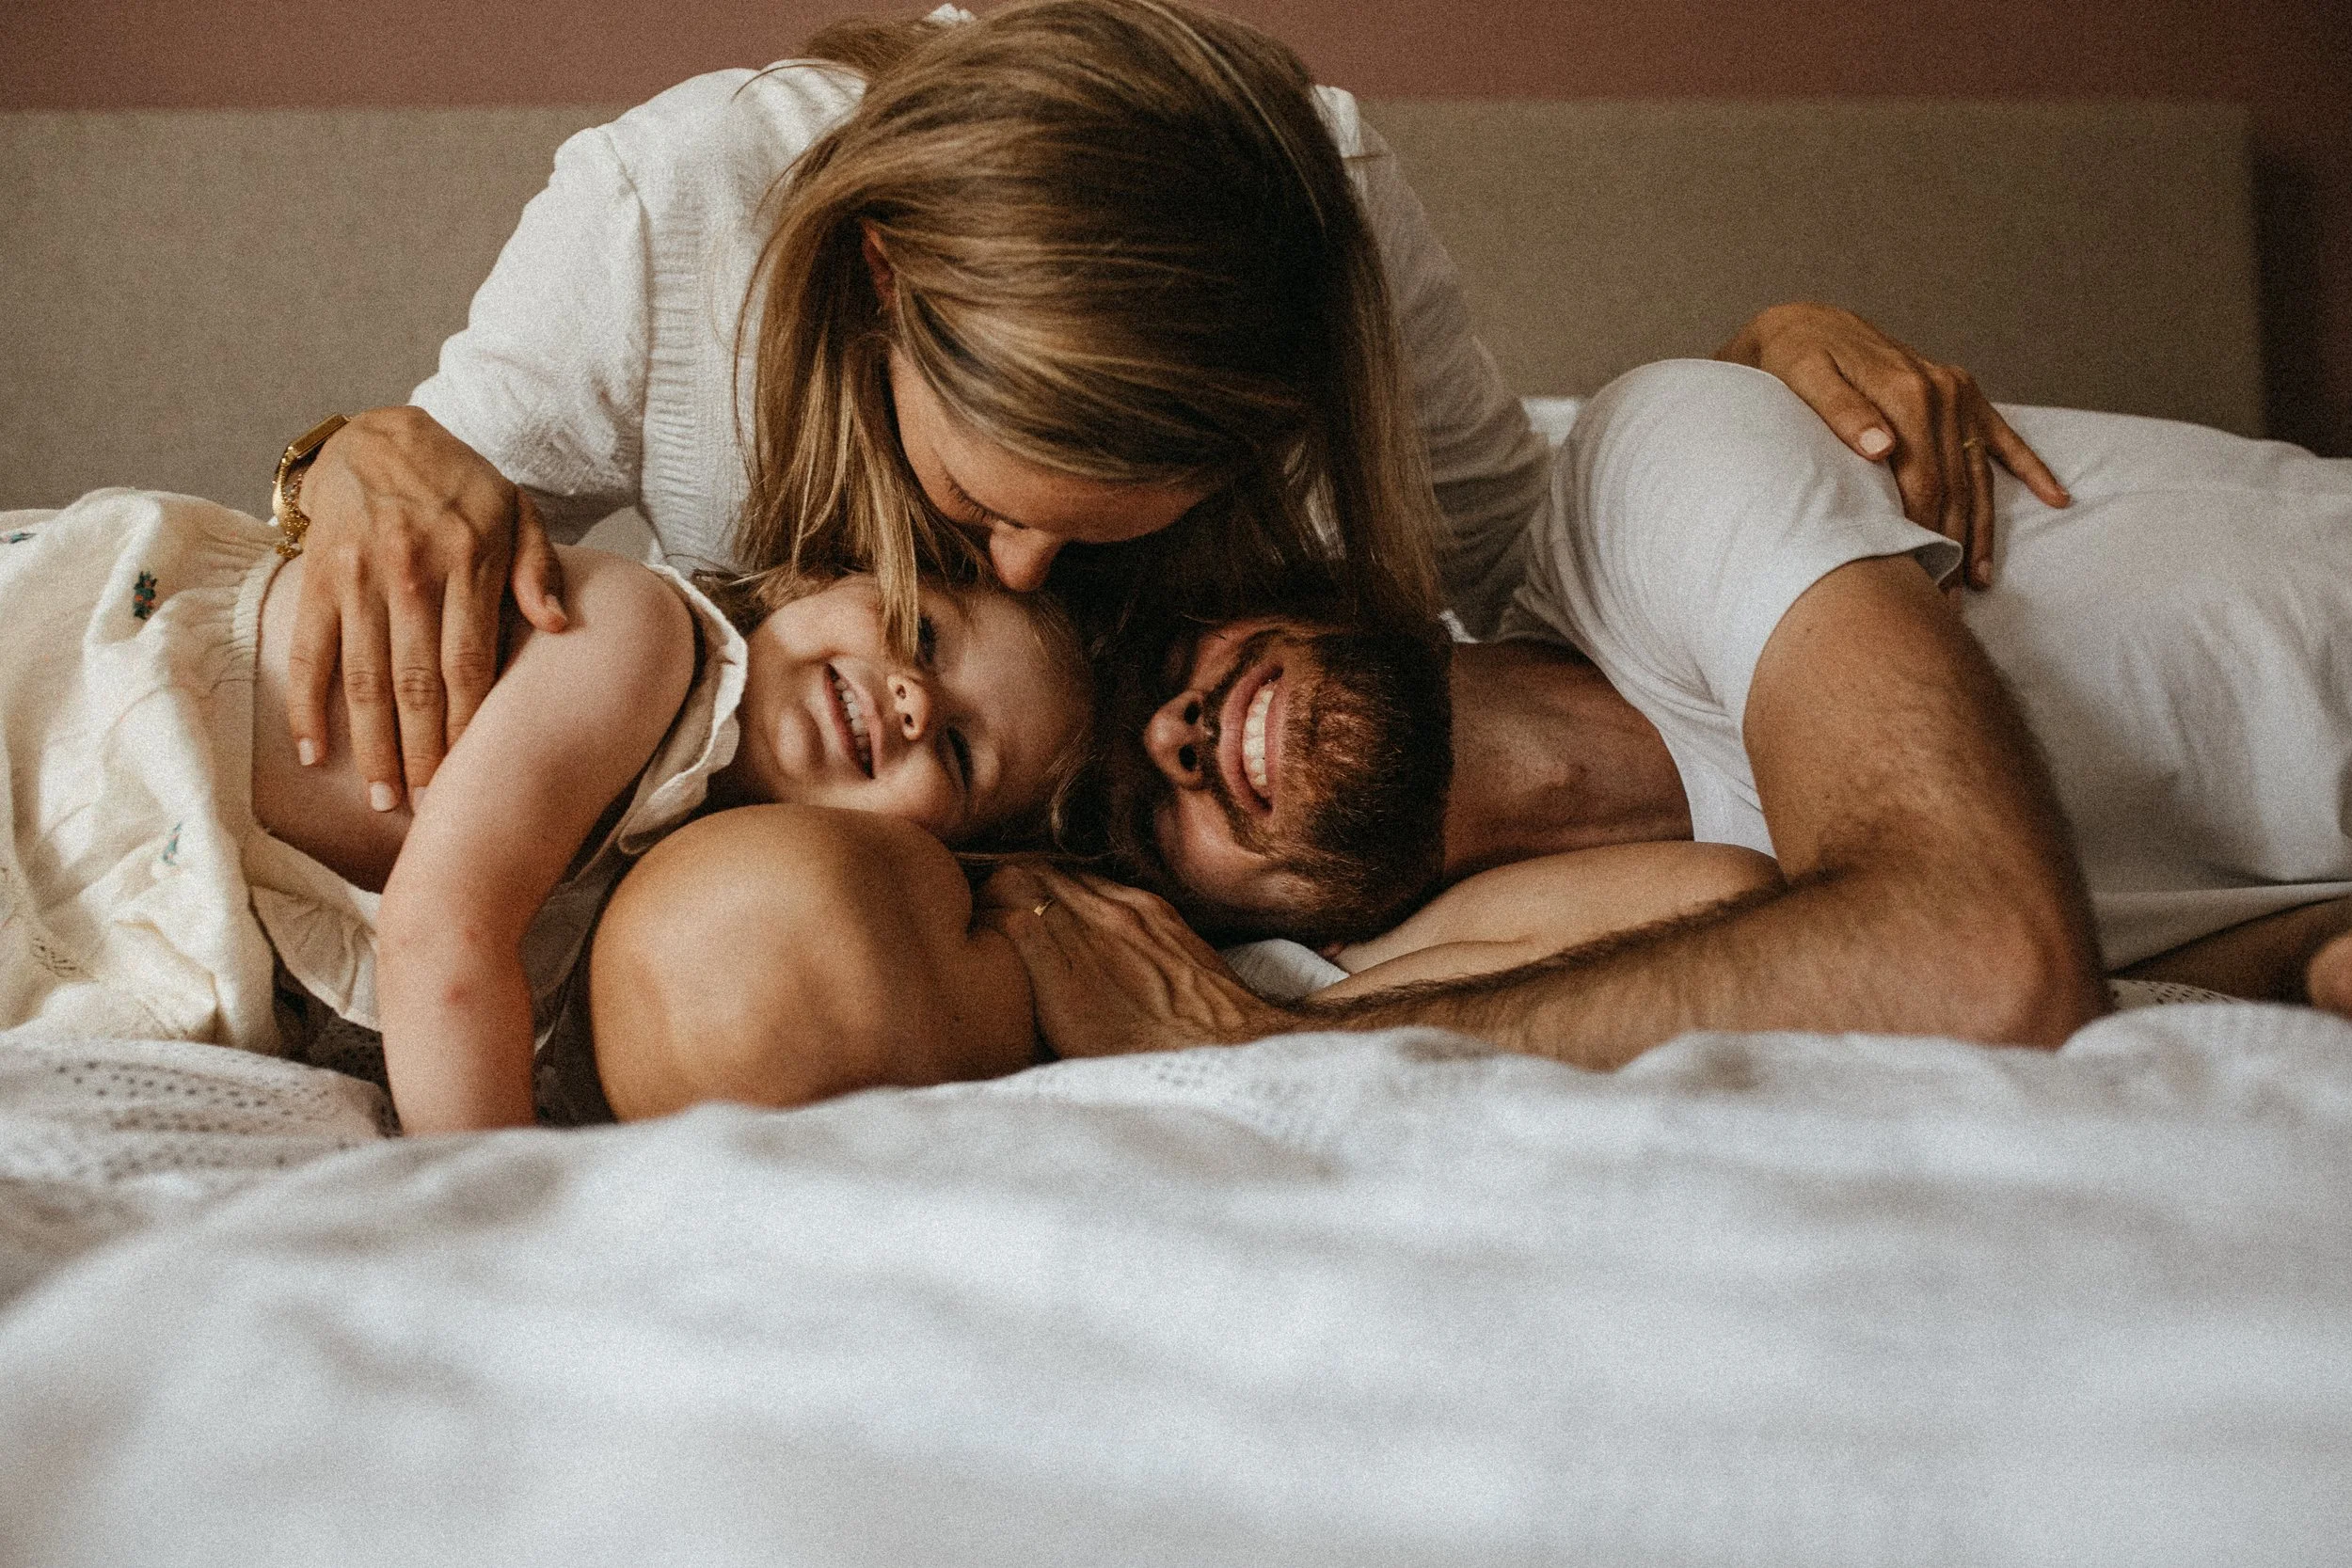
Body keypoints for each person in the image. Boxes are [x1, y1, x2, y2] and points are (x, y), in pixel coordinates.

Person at [280, 0, 2065, 826]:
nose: (1033, 568)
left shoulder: (1325, 211)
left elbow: (1520, 550)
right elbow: (405, 546)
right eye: (983, 506)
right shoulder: (664, 221)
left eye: (1105, 515)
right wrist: (344, 458)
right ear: (887, 279)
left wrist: (1750, 364)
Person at [980, 360, 2352, 1068]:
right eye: (1136, 817)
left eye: (1162, 650)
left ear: (1308, 571)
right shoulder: (1674, 925)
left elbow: (1984, 952)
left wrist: (1271, 1053)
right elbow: (2176, 935)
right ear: (1289, 927)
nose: (1172, 733)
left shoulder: (1646, 473)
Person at [0, 488, 1091, 1133]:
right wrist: (498, 1206)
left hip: (121, 861)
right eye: (927, 635)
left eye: (956, 748)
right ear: (818, 580)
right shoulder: (644, 637)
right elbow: (444, 931)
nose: (911, 698)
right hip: (80, 716)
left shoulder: (654, 864)